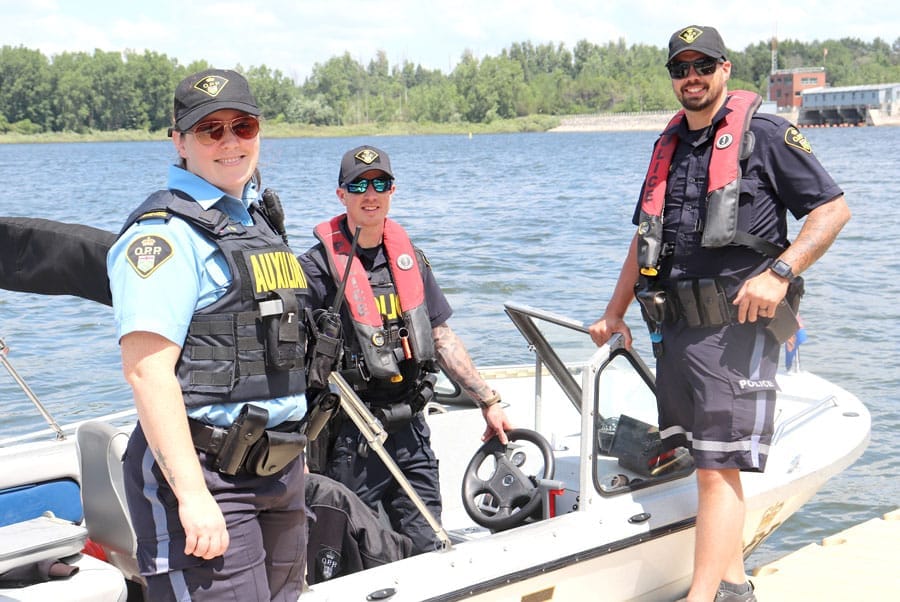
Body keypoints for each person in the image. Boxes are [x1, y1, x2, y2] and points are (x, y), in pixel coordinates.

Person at [588, 25, 850, 602]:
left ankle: (700, 597)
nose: (691, 78)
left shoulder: (767, 134)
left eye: (702, 65)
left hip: (738, 329)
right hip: (677, 332)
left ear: (725, 69)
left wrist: (780, 273)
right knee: (707, 458)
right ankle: (732, 586)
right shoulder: (669, 146)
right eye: (680, 69)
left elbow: (832, 211)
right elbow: (644, 239)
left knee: (715, 466)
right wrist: (614, 311)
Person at [107, 69, 310, 601]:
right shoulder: (163, 238)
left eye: (241, 126)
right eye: (209, 130)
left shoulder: (255, 224)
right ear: (178, 140)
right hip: (209, 476)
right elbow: (147, 372)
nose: (229, 142)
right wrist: (192, 495)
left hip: (279, 469)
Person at [298, 145, 512, 556]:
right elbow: (292, 358)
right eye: (358, 185)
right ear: (341, 195)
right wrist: (294, 443)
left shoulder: (409, 259)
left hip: (411, 428)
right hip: (352, 434)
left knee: (427, 541)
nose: (370, 193)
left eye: (380, 183)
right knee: (356, 550)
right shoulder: (316, 269)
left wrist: (488, 400)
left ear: (392, 190)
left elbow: (442, 337)